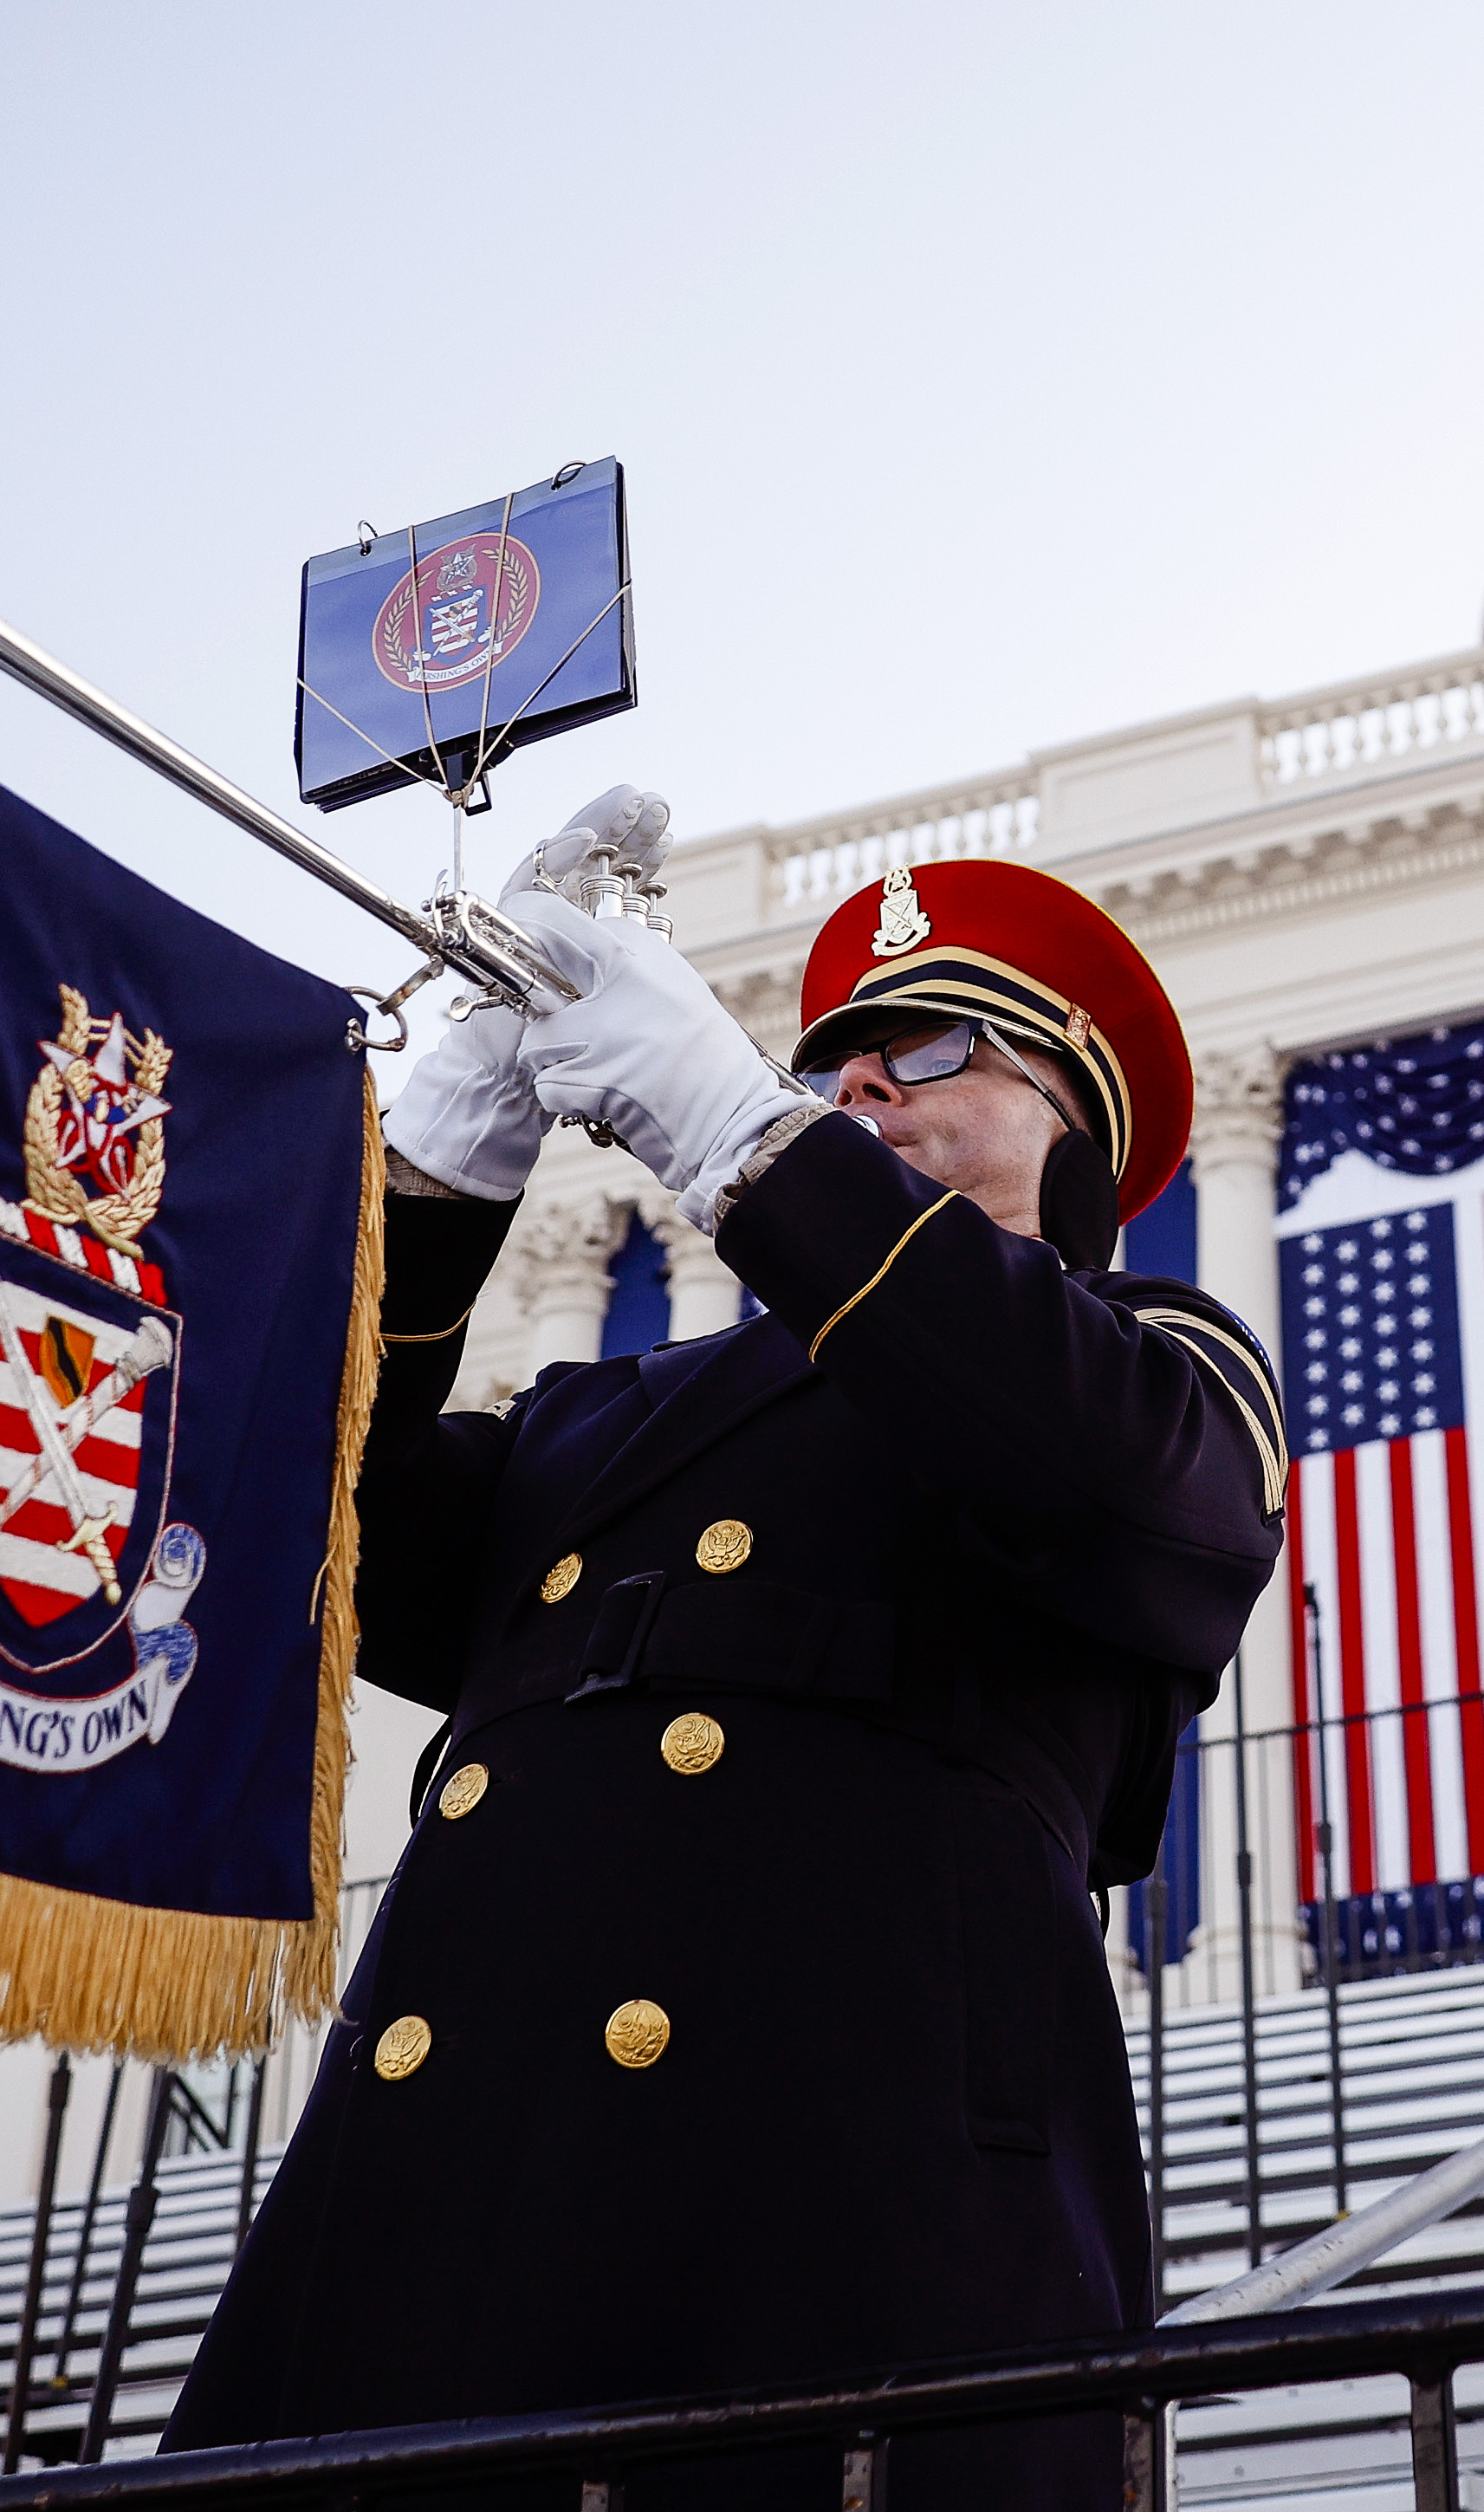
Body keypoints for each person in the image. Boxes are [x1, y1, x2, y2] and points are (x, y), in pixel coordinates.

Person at [172, 792, 1284, 2510]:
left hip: (830, 2249)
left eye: (930, 1050)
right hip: (429, 2245)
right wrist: (427, 1189)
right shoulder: (602, 1416)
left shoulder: (1151, 1364)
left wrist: (748, 1140)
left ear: (1077, 1127)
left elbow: (1098, 1478)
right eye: (836, 1065)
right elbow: (280, 1536)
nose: (863, 1085)